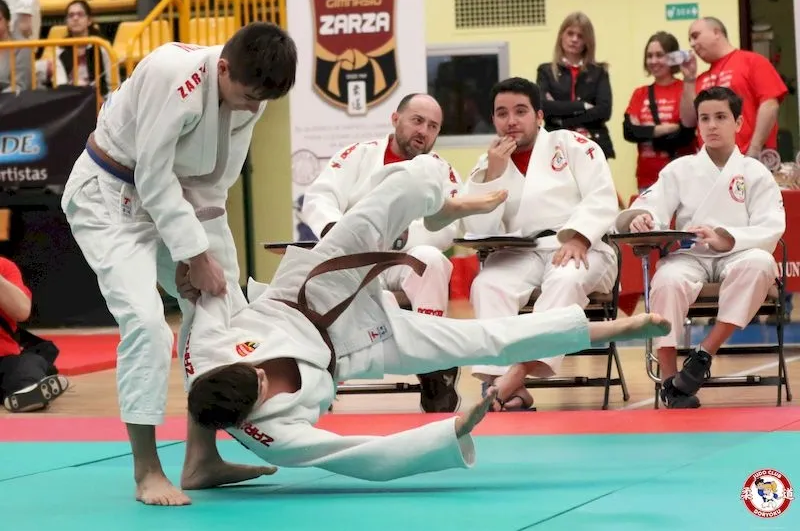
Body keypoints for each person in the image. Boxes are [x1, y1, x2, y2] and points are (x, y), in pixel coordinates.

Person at [175, 154, 671, 487]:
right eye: (262, 383)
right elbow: (360, 454)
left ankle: (440, 205)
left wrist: (189, 283)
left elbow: (208, 300)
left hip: (305, 290)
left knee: (389, 198)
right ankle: (605, 329)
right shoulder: (276, 437)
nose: (263, 371)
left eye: (254, 368)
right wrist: (452, 429)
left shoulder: (205, 355)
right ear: (247, 417)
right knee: (479, 339)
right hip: (360, 348)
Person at [60, 22, 297, 506]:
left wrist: (201, 255)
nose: (254, 108)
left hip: (182, 199)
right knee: (148, 325)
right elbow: (151, 174)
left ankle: (200, 458)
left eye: (262, 100)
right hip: (110, 196)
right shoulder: (175, 75)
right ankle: (147, 470)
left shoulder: (253, 92)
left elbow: (213, 181)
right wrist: (192, 253)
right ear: (224, 68)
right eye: (249, 96)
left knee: (220, 307)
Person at [615, 86, 786, 408]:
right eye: (705, 118)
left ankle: (704, 354)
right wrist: (642, 217)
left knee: (761, 263)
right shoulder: (681, 169)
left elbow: (772, 225)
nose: (711, 125)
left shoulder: (754, 172)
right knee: (666, 280)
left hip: (739, 251)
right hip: (691, 255)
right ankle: (670, 380)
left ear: (738, 122)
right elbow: (653, 205)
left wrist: (728, 237)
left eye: (720, 117)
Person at [461, 77, 619, 411]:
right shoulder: (488, 163)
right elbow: (477, 228)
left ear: (539, 116)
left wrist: (579, 235)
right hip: (520, 252)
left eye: (521, 111)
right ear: (494, 120)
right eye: (502, 113)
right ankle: (506, 388)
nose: (511, 121)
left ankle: (511, 379)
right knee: (487, 284)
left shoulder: (573, 145)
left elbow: (602, 196)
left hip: (580, 245)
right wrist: (494, 175)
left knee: (565, 280)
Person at [300, 93, 463, 413]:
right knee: (323, 278)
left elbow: (448, 226)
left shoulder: (441, 170)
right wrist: (336, 229)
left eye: (433, 126)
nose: (424, 131)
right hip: (355, 257)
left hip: (404, 258)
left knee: (433, 260)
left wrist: (397, 235)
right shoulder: (359, 155)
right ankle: (323, 375)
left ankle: (432, 366)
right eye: (417, 121)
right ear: (395, 119)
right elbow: (319, 196)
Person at [678, 17, 787, 158]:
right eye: (690, 40)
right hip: (712, 165)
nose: (692, 44)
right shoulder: (700, 79)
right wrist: (689, 79)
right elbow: (688, 121)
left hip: (752, 158)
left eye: (695, 36)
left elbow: (770, 105)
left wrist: (754, 149)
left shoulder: (752, 61)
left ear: (716, 32)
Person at [623, 31, 696, 193]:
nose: (653, 61)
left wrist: (647, 132)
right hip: (647, 179)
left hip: (682, 178)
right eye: (649, 56)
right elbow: (630, 132)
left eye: (659, 55)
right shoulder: (640, 94)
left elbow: (685, 134)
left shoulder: (684, 90)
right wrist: (668, 128)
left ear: (672, 58)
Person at [536, 11, 615, 160]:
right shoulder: (545, 71)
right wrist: (582, 106)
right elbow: (543, 107)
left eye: (580, 36)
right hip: (555, 145)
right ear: (561, 36)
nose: (574, 39)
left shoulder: (599, 72)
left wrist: (562, 120)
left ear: (588, 41)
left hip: (593, 144)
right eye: (570, 33)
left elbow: (604, 111)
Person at [0, 256, 69, 412]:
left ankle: (28, 393)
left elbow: (22, 311)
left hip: (4, 360)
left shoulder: (4, 267)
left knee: (29, 363)